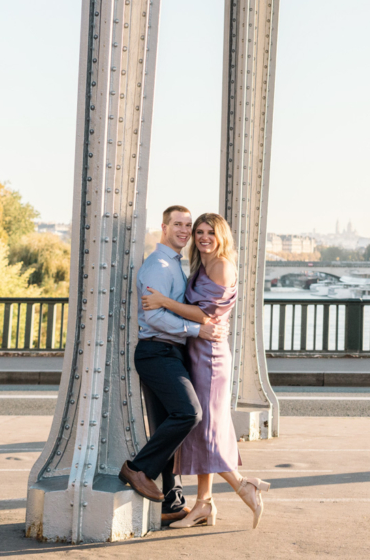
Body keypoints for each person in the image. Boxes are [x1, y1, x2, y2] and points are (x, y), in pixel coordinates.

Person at [142, 212, 270, 528]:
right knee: (204, 428)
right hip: (197, 350)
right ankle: (204, 504)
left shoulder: (223, 266)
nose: (202, 237)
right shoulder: (201, 266)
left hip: (210, 356)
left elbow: (203, 314)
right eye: (198, 231)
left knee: (208, 428)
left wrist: (162, 301)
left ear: (221, 235)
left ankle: (243, 485)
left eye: (209, 232)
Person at [119, 205, 227, 526]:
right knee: (189, 413)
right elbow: (152, 316)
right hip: (157, 352)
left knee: (166, 426)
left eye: (187, 225)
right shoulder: (158, 266)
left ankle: (171, 501)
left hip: (169, 352)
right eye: (178, 224)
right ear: (164, 227)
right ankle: (138, 469)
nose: (184, 230)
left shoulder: (177, 266)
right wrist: (198, 329)